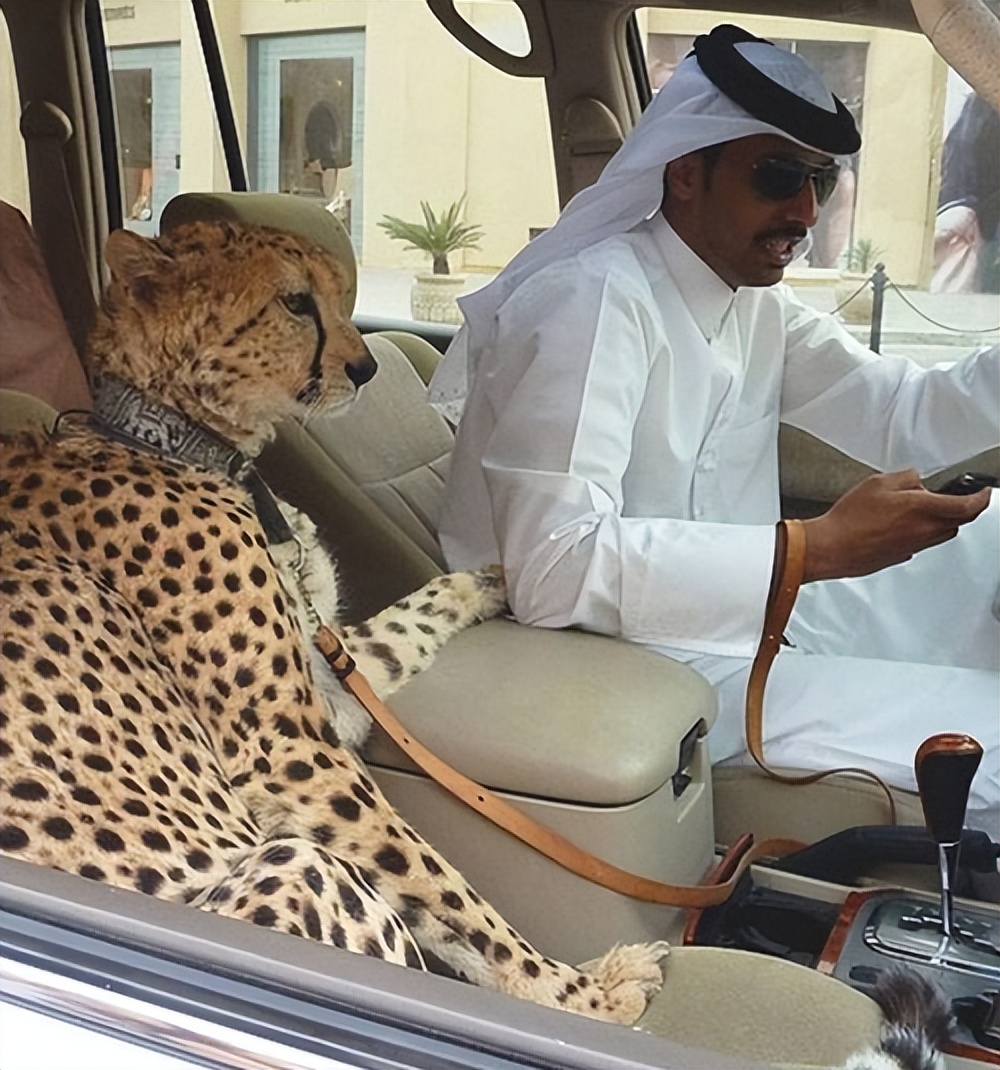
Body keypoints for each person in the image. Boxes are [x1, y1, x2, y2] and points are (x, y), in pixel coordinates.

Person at [428, 25, 1000, 830]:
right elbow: (552, 569)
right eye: (777, 176)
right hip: (623, 663)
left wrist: (800, 557)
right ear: (686, 172)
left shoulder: (749, 300)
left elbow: (903, 413)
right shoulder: (592, 300)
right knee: (992, 737)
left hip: (745, 610)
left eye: (820, 181)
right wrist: (814, 548)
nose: (803, 211)